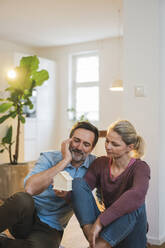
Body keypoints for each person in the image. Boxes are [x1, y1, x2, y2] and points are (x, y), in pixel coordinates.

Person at [0, 121, 99, 248]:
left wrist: (67, 197)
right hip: (26, 217)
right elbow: (30, 188)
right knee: (22, 199)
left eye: (86, 144)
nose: (79, 147)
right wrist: (65, 160)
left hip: (51, 226)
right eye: (76, 140)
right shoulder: (49, 157)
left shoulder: (95, 166)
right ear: (69, 140)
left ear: (92, 148)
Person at [71, 120, 150, 248]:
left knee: (135, 202)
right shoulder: (101, 163)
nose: (108, 146)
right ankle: (97, 244)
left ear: (129, 147)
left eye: (114, 144)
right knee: (78, 183)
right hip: (109, 232)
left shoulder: (140, 168)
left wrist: (100, 222)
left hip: (132, 236)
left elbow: (137, 195)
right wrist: (66, 194)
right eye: (107, 141)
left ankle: (98, 245)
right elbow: (81, 193)